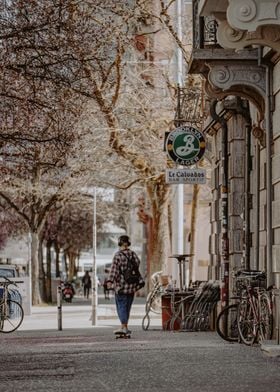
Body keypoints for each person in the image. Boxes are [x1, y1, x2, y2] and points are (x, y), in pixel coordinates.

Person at [107, 235, 144, 335]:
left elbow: (113, 271)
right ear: (128, 243)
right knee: (127, 307)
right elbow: (137, 264)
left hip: (121, 286)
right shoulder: (133, 254)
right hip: (131, 287)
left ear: (119, 243)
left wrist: (110, 281)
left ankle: (123, 327)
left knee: (121, 307)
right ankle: (125, 327)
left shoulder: (118, 255)